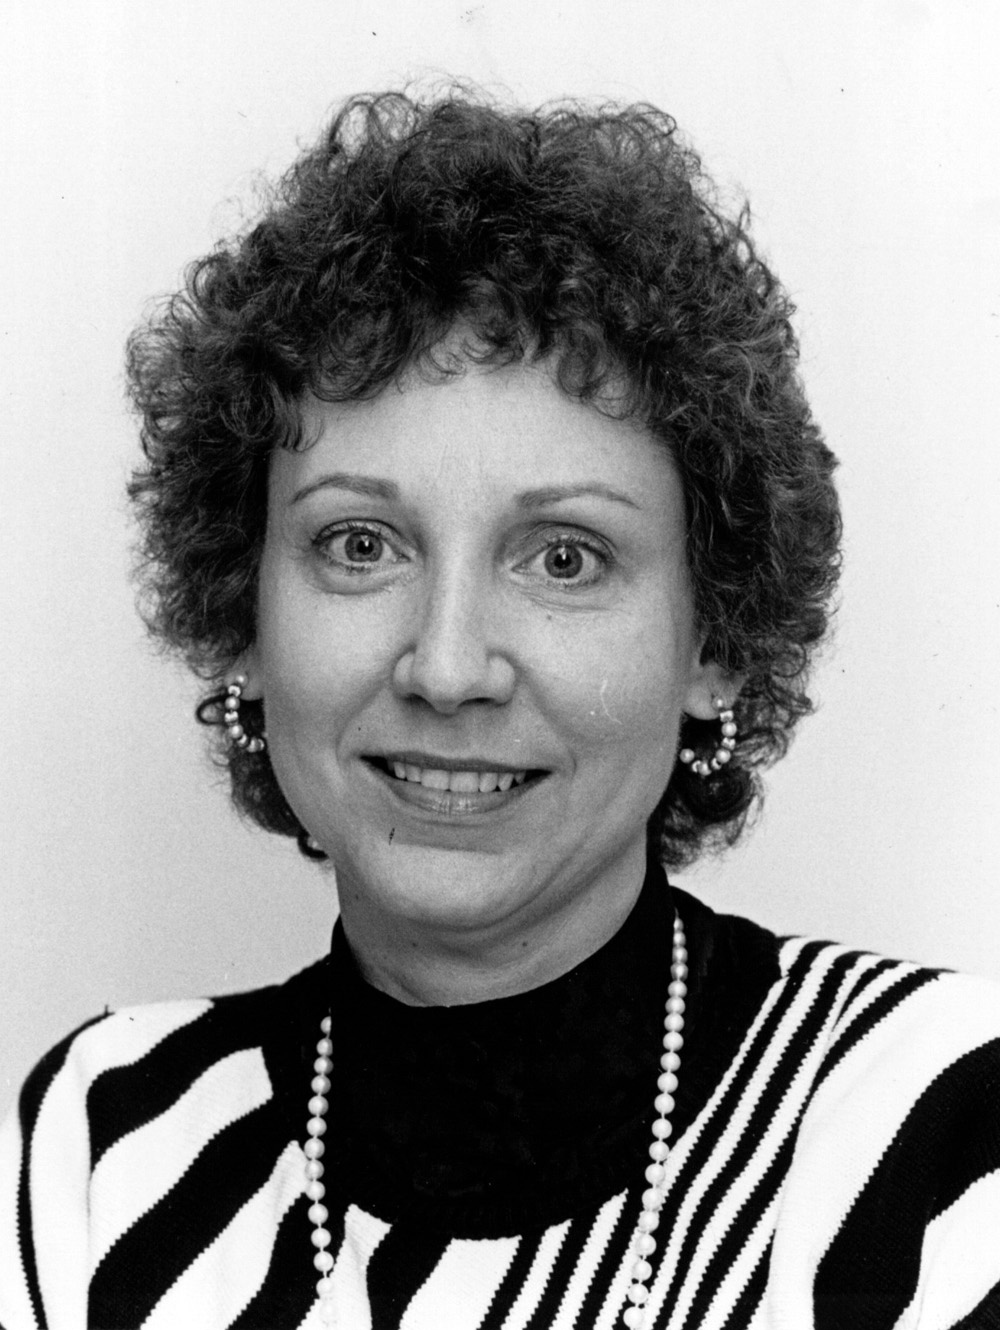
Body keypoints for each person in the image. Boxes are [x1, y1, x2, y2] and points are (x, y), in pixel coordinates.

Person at [2, 88, 998, 1330]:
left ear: (715, 642)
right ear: (242, 614)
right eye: (359, 544)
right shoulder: (105, 1151)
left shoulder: (940, 1137)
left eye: (564, 557)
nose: (446, 664)